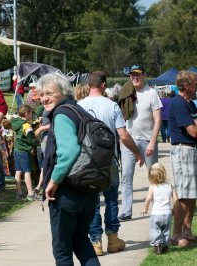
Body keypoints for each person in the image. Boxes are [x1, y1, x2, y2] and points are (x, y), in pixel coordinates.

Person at [78, 71, 144, 256]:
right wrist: (137, 153)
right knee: (112, 199)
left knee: (92, 202)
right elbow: (123, 135)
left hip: (87, 162)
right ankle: (113, 239)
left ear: (88, 85)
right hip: (109, 161)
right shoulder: (112, 106)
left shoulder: (78, 106)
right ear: (104, 85)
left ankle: (96, 242)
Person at [37, 72, 100, 265]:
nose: (44, 98)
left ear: (63, 92)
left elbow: (69, 151)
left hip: (67, 192)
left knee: (62, 250)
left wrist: (53, 181)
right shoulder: (78, 110)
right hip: (87, 189)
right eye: (41, 94)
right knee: (80, 241)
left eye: (50, 93)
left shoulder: (62, 114)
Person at [119, 64, 162, 221]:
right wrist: (121, 139)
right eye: (132, 75)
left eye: (137, 74)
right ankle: (126, 210)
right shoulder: (126, 92)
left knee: (155, 175)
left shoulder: (152, 93)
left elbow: (158, 121)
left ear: (144, 75)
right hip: (129, 141)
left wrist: (152, 142)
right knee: (126, 176)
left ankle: (158, 207)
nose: (134, 77)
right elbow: (121, 118)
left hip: (147, 140)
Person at [168, 70, 197, 247]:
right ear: (186, 85)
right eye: (195, 84)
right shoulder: (178, 103)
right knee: (184, 195)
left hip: (190, 150)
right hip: (183, 151)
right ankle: (176, 234)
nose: (196, 87)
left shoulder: (190, 105)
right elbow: (193, 130)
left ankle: (187, 230)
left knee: (192, 194)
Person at [140, 163, 178, 255]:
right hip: (167, 213)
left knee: (155, 230)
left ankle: (157, 247)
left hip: (156, 213)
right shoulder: (170, 187)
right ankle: (165, 246)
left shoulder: (153, 187)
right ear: (164, 173)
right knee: (166, 230)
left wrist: (145, 209)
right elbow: (176, 199)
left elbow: (148, 199)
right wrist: (174, 209)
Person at [11, 105, 38, 201]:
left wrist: (34, 124)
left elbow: (24, 129)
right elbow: (31, 139)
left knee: (18, 171)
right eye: (31, 113)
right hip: (24, 151)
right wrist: (37, 142)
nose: (32, 115)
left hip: (17, 150)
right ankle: (30, 193)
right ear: (27, 114)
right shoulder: (26, 126)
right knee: (27, 172)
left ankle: (19, 192)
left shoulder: (17, 122)